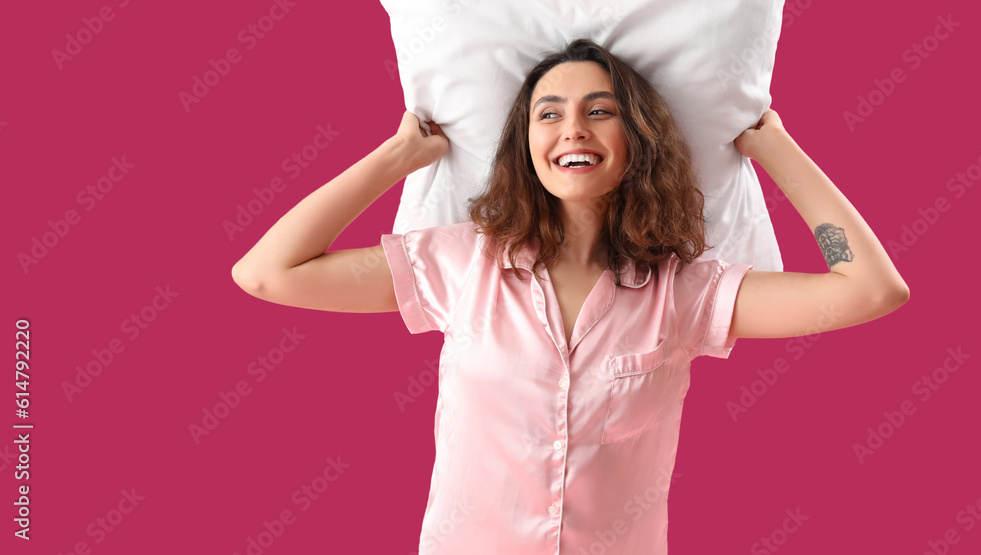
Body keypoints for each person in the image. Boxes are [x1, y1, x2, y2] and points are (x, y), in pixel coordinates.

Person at [231, 38, 909, 553]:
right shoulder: (464, 262)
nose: (572, 128)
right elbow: (267, 272)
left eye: (600, 111)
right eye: (548, 113)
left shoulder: (682, 294)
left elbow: (871, 289)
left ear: (635, 142)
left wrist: (775, 146)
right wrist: (395, 157)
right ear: (527, 146)